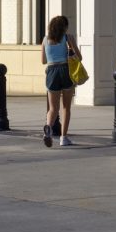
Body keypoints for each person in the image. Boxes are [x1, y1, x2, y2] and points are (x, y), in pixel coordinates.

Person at [41, 15, 81, 147]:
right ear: (64, 27)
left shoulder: (45, 40)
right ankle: (64, 137)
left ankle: (48, 128)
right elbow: (79, 57)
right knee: (66, 107)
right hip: (65, 71)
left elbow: (43, 61)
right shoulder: (68, 38)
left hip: (52, 72)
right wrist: (70, 50)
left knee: (53, 108)